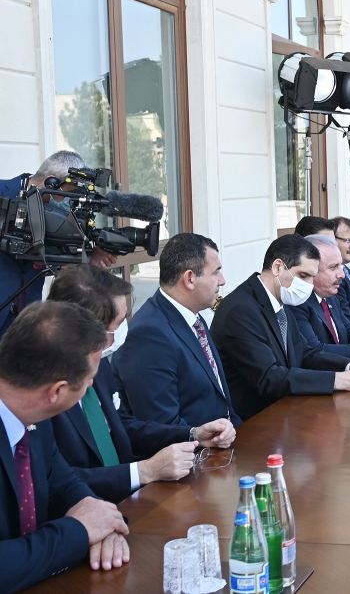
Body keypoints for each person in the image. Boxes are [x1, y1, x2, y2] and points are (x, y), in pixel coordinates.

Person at [48, 266, 234, 503]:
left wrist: (193, 434)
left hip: (130, 502)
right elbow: (54, 481)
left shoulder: (99, 363)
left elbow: (121, 427)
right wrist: (144, 471)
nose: (125, 328)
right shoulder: (45, 387)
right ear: (85, 332)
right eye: (118, 323)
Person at [0, 301, 131, 591]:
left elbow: (63, 483)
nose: (91, 388)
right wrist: (78, 533)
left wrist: (104, 522)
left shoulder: (33, 414)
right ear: (57, 391)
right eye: (88, 381)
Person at [211, 234, 350, 420]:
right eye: (303, 275)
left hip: (288, 412)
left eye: (312, 276)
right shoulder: (241, 310)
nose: (309, 285)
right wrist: (339, 380)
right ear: (278, 267)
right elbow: (269, 377)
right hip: (257, 423)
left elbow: (305, 352)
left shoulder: (281, 298)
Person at [114, 233, 242, 429]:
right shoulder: (149, 335)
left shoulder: (192, 315)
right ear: (190, 279)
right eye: (216, 272)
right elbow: (162, 426)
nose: (222, 280)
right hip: (199, 447)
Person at [0, 151, 117, 336]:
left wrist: (87, 258)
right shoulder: (3, 192)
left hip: (24, 326)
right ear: (51, 182)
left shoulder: (61, 215)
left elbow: (58, 259)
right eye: (70, 193)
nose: (71, 202)